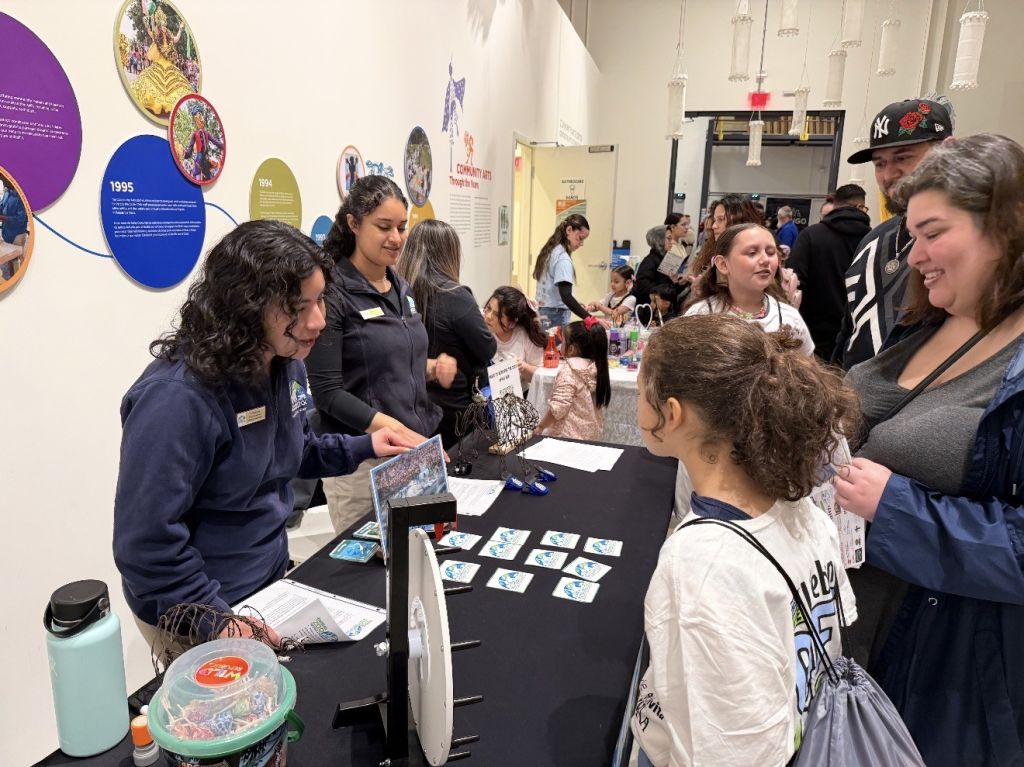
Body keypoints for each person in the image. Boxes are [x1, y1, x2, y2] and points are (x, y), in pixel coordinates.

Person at [112, 220, 416, 643]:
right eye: (297, 307)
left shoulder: (283, 359)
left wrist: (365, 445)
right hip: (205, 611)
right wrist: (220, 622)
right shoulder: (175, 400)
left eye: (320, 300)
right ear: (245, 307)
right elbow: (145, 546)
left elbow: (291, 451)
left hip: (266, 586)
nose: (317, 321)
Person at [835, 134, 1024, 766]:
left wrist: (895, 510)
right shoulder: (932, 317)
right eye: (911, 236)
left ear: (1004, 227)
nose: (914, 256)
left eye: (933, 233)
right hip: (853, 644)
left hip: (944, 675)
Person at [631, 314, 858, 767]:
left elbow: (728, 749)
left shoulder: (699, 562)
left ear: (670, 413)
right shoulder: (804, 514)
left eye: (641, 393)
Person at [307, 175, 457, 533]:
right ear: (354, 224)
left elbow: (388, 360)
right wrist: (399, 431)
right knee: (371, 574)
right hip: (362, 463)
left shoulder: (399, 285)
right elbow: (328, 393)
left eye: (402, 227)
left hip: (409, 451)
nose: (396, 238)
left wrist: (430, 367)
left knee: (417, 560)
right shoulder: (331, 292)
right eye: (384, 227)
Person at [837, 97, 954, 369]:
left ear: (948, 152)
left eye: (903, 157)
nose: (889, 174)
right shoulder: (873, 239)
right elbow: (850, 326)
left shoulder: (966, 240)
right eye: (879, 163)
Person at [396, 219, 495, 448]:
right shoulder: (455, 295)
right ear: (449, 254)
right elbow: (486, 348)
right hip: (456, 411)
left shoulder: (398, 293)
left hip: (411, 409)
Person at [684, 223, 814, 355]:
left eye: (770, 253)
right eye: (752, 253)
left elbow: (808, 371)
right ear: (723, 264)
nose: (765, 260)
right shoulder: (701, 315)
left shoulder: (790, 317)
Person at [787, 184, 872, 361]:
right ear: (859, 207)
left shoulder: (810, 235)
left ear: (835, 204)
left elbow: (794, 281)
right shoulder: (874, 239)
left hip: (814, 332)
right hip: (858, 336)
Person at [535, 318, 610, 441]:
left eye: (563, 341)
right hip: (590, 437)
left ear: (571, 349)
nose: (560, 346)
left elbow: (558, 409)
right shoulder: (595, 368)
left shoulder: (569, 371)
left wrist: (540, 426)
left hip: (566, 439)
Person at [533, 213, 592, 329]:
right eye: (580, 238)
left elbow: (558, 292)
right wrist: (590, 319)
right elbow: (566, 296)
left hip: (544, 311)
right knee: (556, 347)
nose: (581, 244)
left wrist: (576, 305)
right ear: (569, 230)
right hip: (555, 316)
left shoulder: (551, 250)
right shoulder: (562, 258)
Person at [484, 286, 546, 389]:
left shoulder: (524, 336)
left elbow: (540, 375)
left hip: (518, 398)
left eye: (497, 315)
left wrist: (523, 367)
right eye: (488, 308)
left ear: (512, 323)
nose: (488, 316)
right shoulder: (480, 328)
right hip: (485, 395)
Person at [632, 225, 675, 307]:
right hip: (651, 310)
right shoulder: (649, 261)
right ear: (660, 241)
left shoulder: (663, 259)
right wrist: (666, 282)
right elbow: (642, 288)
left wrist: (678, 282)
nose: (672, 242)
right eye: (669, 238)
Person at [0, 173, 28, 281]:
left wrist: (3, 218)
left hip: (18, 234)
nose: (3, 183)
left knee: (16, 260)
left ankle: (17, 281)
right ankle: (12, 277)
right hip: (7, 232)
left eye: (4, 180)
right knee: (8, 259)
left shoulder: (21, 196)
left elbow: (20, 219)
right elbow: (2, 206)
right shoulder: (7, 192)